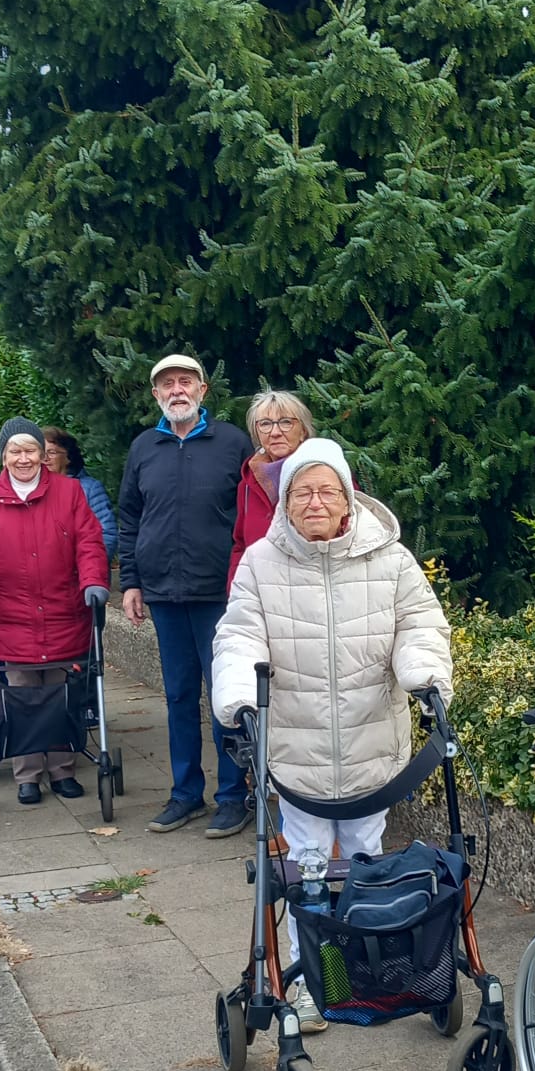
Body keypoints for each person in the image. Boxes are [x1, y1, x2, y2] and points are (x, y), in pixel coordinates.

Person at [213, 437, 453, 1032]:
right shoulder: (260, 563)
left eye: (327, 491)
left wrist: (423, 674)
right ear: (285, 502)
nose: (315, 502)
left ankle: (372, 968)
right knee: (309, 866)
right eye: (302, 492)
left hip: (373, 744)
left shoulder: (390, 558)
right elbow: (239, 635)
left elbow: (420, 625)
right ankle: (315, 983)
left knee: (367, 859)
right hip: (296, 747)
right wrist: (237, 695)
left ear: (348, 498)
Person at [118, 354, 252, 838]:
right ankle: (185, 794)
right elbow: (129, 517)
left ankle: (233, 797)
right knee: (177, 696)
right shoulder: (144, 447)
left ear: (202, 390)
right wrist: (131, 582)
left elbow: (251, 513)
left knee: (225, 697)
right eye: (167, 384)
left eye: (185, 382)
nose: (177, 390)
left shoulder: (233, 443)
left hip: (220, 593)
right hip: (163, 592)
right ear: (156, 394)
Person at [0, 418, 110, 804]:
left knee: (60, 694)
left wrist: (93, 581)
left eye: (30, 450)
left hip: (62, 612)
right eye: (15, 451)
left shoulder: (69, 492)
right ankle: (27, 775)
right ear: (3, 457)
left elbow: (89, 542)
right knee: (20, 695)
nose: (23, 458)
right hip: (11, 614)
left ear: (43, 455)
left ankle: (62, 771)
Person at [227, 391, 313, 590]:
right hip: (259, 593)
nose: (275, 432)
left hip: (307, 592)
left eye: (285, 422)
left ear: (303, 431)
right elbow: (241, 545)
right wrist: (236, 589)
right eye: (265, 424)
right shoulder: (248, 484)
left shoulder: (325, 474)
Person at [43, 428, 116, 557]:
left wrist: (87, 565)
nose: (45, 458)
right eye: (40, 453)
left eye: (52, 452)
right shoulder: (30, 490)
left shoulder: (90, 489)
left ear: (68, 457)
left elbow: (107, 535)